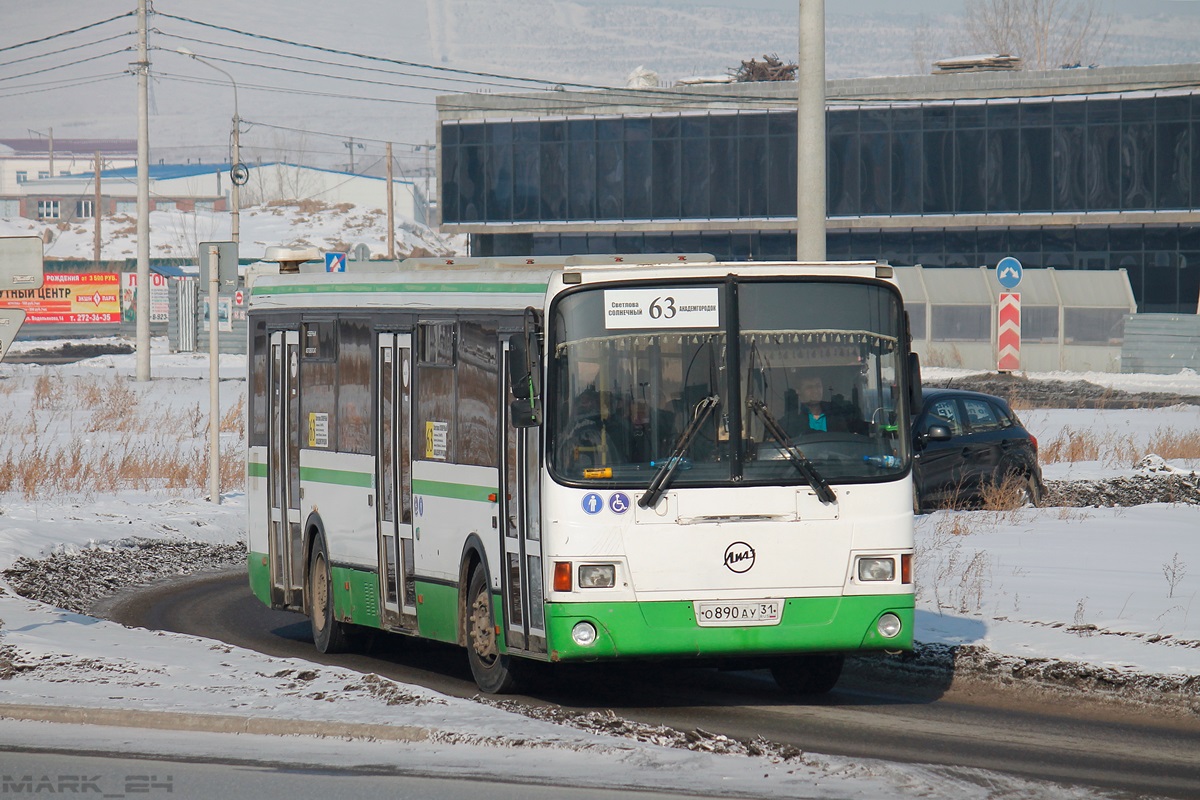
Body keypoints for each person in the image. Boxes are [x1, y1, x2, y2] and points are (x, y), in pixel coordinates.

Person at [780, 374, 861, 438]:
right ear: (798, 391)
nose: (815, 391)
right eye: (809, 387)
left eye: (818, 386)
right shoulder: (790, 421)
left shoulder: (837, 415)